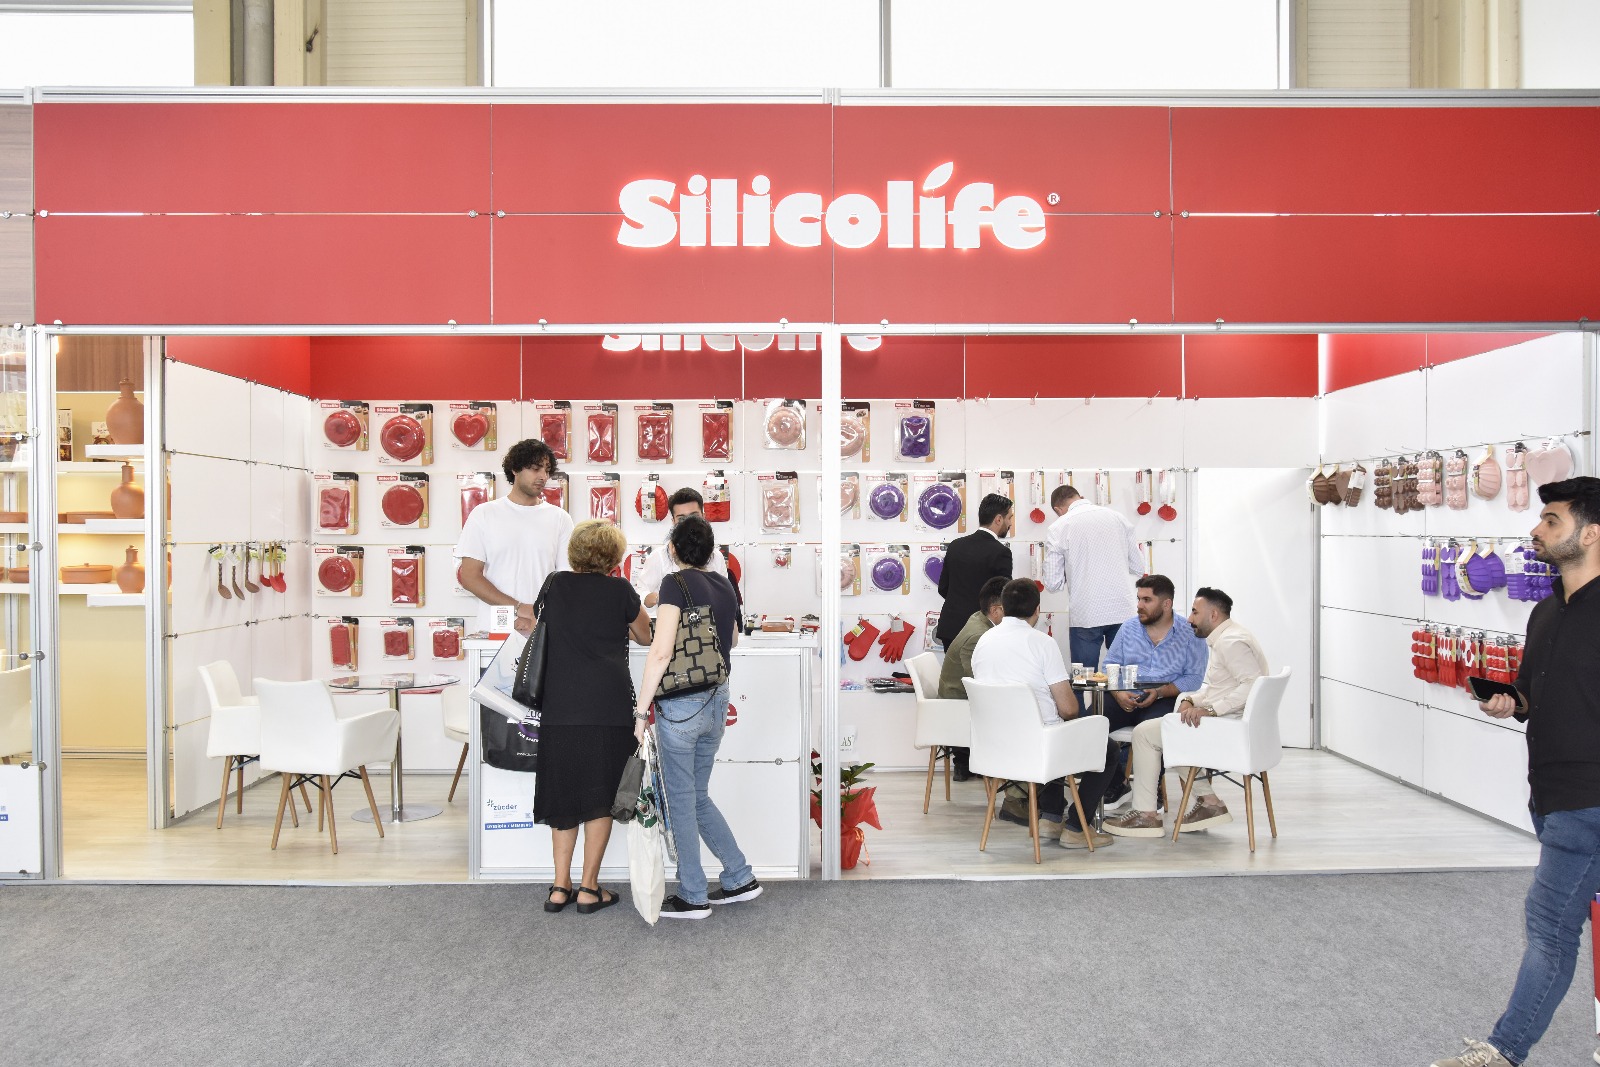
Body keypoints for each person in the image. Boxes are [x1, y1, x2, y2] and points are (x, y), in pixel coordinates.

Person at [1430, 477, 1600, 1067]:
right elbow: (1532, 694)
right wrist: (1510, 701)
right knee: (1559, 924)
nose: (1536, 529)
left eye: (1551, 520)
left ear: (1591, 534)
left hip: (1587, 798)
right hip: (1548, 792)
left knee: (1550, 926)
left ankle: (1503, 1052)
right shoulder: (1547, 610)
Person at [632, 515, 758, 919]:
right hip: (717, 700)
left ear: (672, 550)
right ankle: (739, 876)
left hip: (682, 706)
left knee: (681, 801)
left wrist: (640, 711)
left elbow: (660, 652)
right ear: (709, 551)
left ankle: (692, 894)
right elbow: (732, 639)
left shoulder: (674, 583)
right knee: (697, 795)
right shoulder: (724, 583)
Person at [530, 520, 652, 915]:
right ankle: (588, 888)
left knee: (563, 797)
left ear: (575, 552)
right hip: (607, 707)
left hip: (559, 708)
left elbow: (542, 626)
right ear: (614, 557)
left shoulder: (554, 586)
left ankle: (559, 888)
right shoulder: (620, 591)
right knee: (601, 798)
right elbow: (646, 636)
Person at [1102, 587, 1267, 838]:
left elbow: (1251, 686)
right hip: (1231, 723)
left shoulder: (1230, 643)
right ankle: (1208, 802)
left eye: (1195, 612)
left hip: (1229, 728)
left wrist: (1210, 709)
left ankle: (1146, 815)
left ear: (1213, 615)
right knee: (1167, 730)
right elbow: (1219, 688)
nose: (1190, 618)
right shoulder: (1231, 636)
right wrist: (1190, 699)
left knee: (1147, 734)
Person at [969, 579, 1116, 849]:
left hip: (993, 745)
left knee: (1053, 728)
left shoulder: (984, 642)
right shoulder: (1042, 644)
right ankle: (1076, 827)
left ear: (1003, 608)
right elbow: (1069, 709)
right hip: (1038, 746)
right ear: (1037, 610)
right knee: (1107, 747)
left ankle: (1050, 817)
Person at [455, 438, 574, 635]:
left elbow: (566, 580)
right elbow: (469, 576)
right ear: (515, 469)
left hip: (543, 632)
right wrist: (519, 607)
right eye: (535, 469)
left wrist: (540, 614)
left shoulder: (560, 518)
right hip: (494, 634)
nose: (543, 476)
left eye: (547, 470)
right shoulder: (484, 514)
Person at [1100, 574, 1209, 787]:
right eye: (1139, 599)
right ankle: (1116, 786)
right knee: (1089, 725)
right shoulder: (1128, 628)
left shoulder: (1190, 633)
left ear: (1167, 604)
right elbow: (1109, 665)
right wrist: (1117, 693)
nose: (1139, 605)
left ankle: (1152, 789)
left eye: (1147, 600)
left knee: (1154, 732)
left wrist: (1160, 692)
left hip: (1165, 698)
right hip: (1124, 694)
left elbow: (1194, 678)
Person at [936, 493, 1015, 779]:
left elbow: (943, 588)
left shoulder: (956, 545)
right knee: (984, 693)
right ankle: (983, 759)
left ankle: (961, 761)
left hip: (952, 627)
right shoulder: (1000, 552)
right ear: (998, 519)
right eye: (1009, 517)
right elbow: (1004, 596)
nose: (1011, 523)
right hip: (983, 630)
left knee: (960, 692)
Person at [1041, 483, 1144, 686]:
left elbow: (1052, 583)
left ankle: (1085, 708)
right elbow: (1138, 566)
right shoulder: (1118, 518)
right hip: (1122, 609)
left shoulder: (1059, 527)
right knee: (1124, 680)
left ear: (1058, 509)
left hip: (1085, 613)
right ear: (1080, 497)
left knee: (1083, 682)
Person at [632, 487, 728, 612]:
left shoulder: (716, 556)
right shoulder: (659, 556)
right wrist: (660, 597)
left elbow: (724, 594)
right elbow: (640, 593)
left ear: (703, 517)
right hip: (669, 620)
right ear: (673, 522)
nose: (688, 523)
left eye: (694, 516)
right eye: (681, 519)